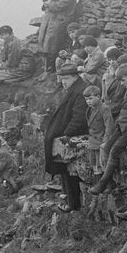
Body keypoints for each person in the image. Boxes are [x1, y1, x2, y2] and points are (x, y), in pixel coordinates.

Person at [89, 63, 127, 195]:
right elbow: (125, 107)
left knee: (115, 149)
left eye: (123, 80)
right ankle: (110, 182)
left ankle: (103, 183)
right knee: (105, 147)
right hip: (123, 127)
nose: (121, 84)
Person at [43, 63, 89, 212]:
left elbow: (79, 119)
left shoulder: (81, 91)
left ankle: (73, 203)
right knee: (65, 169)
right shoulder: (74, 88)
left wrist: (67, 134)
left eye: (67, 78)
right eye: (62, 78)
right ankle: (67, 196)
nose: (64, 81)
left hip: (74, 134)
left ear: (76, 76)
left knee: (69, 169)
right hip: (64, 133)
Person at [37, 0, 78, 78]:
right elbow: (52, 0)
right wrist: (46, 4)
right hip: (51, 17)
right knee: (43, 38)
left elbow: (65, 3)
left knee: (52, 40)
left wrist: (50, 5)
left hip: (62, 17)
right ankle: (46, 66)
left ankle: (50, 69)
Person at [81, 85, 115, 177]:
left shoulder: (104, 109)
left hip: (101, 141)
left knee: (103, 163)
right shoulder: (89, 109)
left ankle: (107, 186)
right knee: (95, 165)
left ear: (99, 97)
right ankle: (97, 186)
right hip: (93, 142)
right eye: (86, 99)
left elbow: (109, 127)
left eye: (91, 99)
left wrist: (105, 142)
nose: (88, 102)